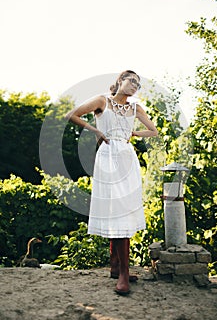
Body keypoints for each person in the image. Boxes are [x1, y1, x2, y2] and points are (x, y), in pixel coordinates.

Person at [66, 70, 158, 295]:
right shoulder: (101, 101)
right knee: (115, 210)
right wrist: (95, 129)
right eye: (131, 80)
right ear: (120, 81)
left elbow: (153, 131)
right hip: (107, 158)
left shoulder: (135, 108)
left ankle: (117, 268)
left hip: (127, 158)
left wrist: (133, 134)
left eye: (138, 83)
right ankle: (122, 274)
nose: (135, 85)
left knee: (124, 210)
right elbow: (72, 114)